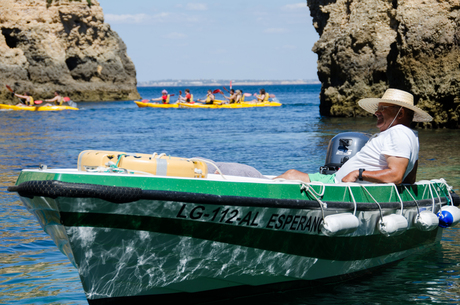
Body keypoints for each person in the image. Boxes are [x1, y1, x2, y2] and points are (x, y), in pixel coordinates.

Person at [275, 88, 433, 184]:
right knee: (292, 174)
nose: (376, 112)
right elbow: (409, 179)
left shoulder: (398, 133)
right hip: (337, 180)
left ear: (401, 112)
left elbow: (396, 176)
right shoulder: (410, 136)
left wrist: (358, 173)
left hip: (337, 184)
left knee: (291, 175)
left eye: (383, 108)